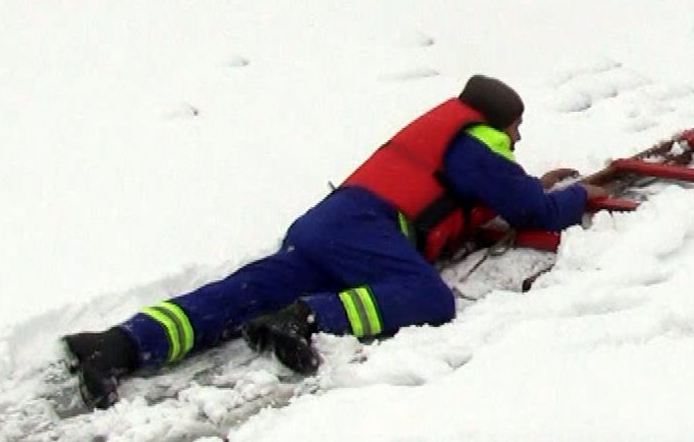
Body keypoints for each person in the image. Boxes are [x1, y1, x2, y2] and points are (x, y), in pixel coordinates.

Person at [63, 75, 608, 410]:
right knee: (429, 298)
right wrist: (581, 197)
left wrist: (533, 185)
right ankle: (304, 317)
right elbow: (536, 213)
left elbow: (481, 197)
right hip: (370, 230)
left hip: (330, 223)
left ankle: (120, 344)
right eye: (516, 127)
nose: (519, 139)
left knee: (245, 290)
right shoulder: (478, 145)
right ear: (497, 122)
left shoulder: (451, 134)